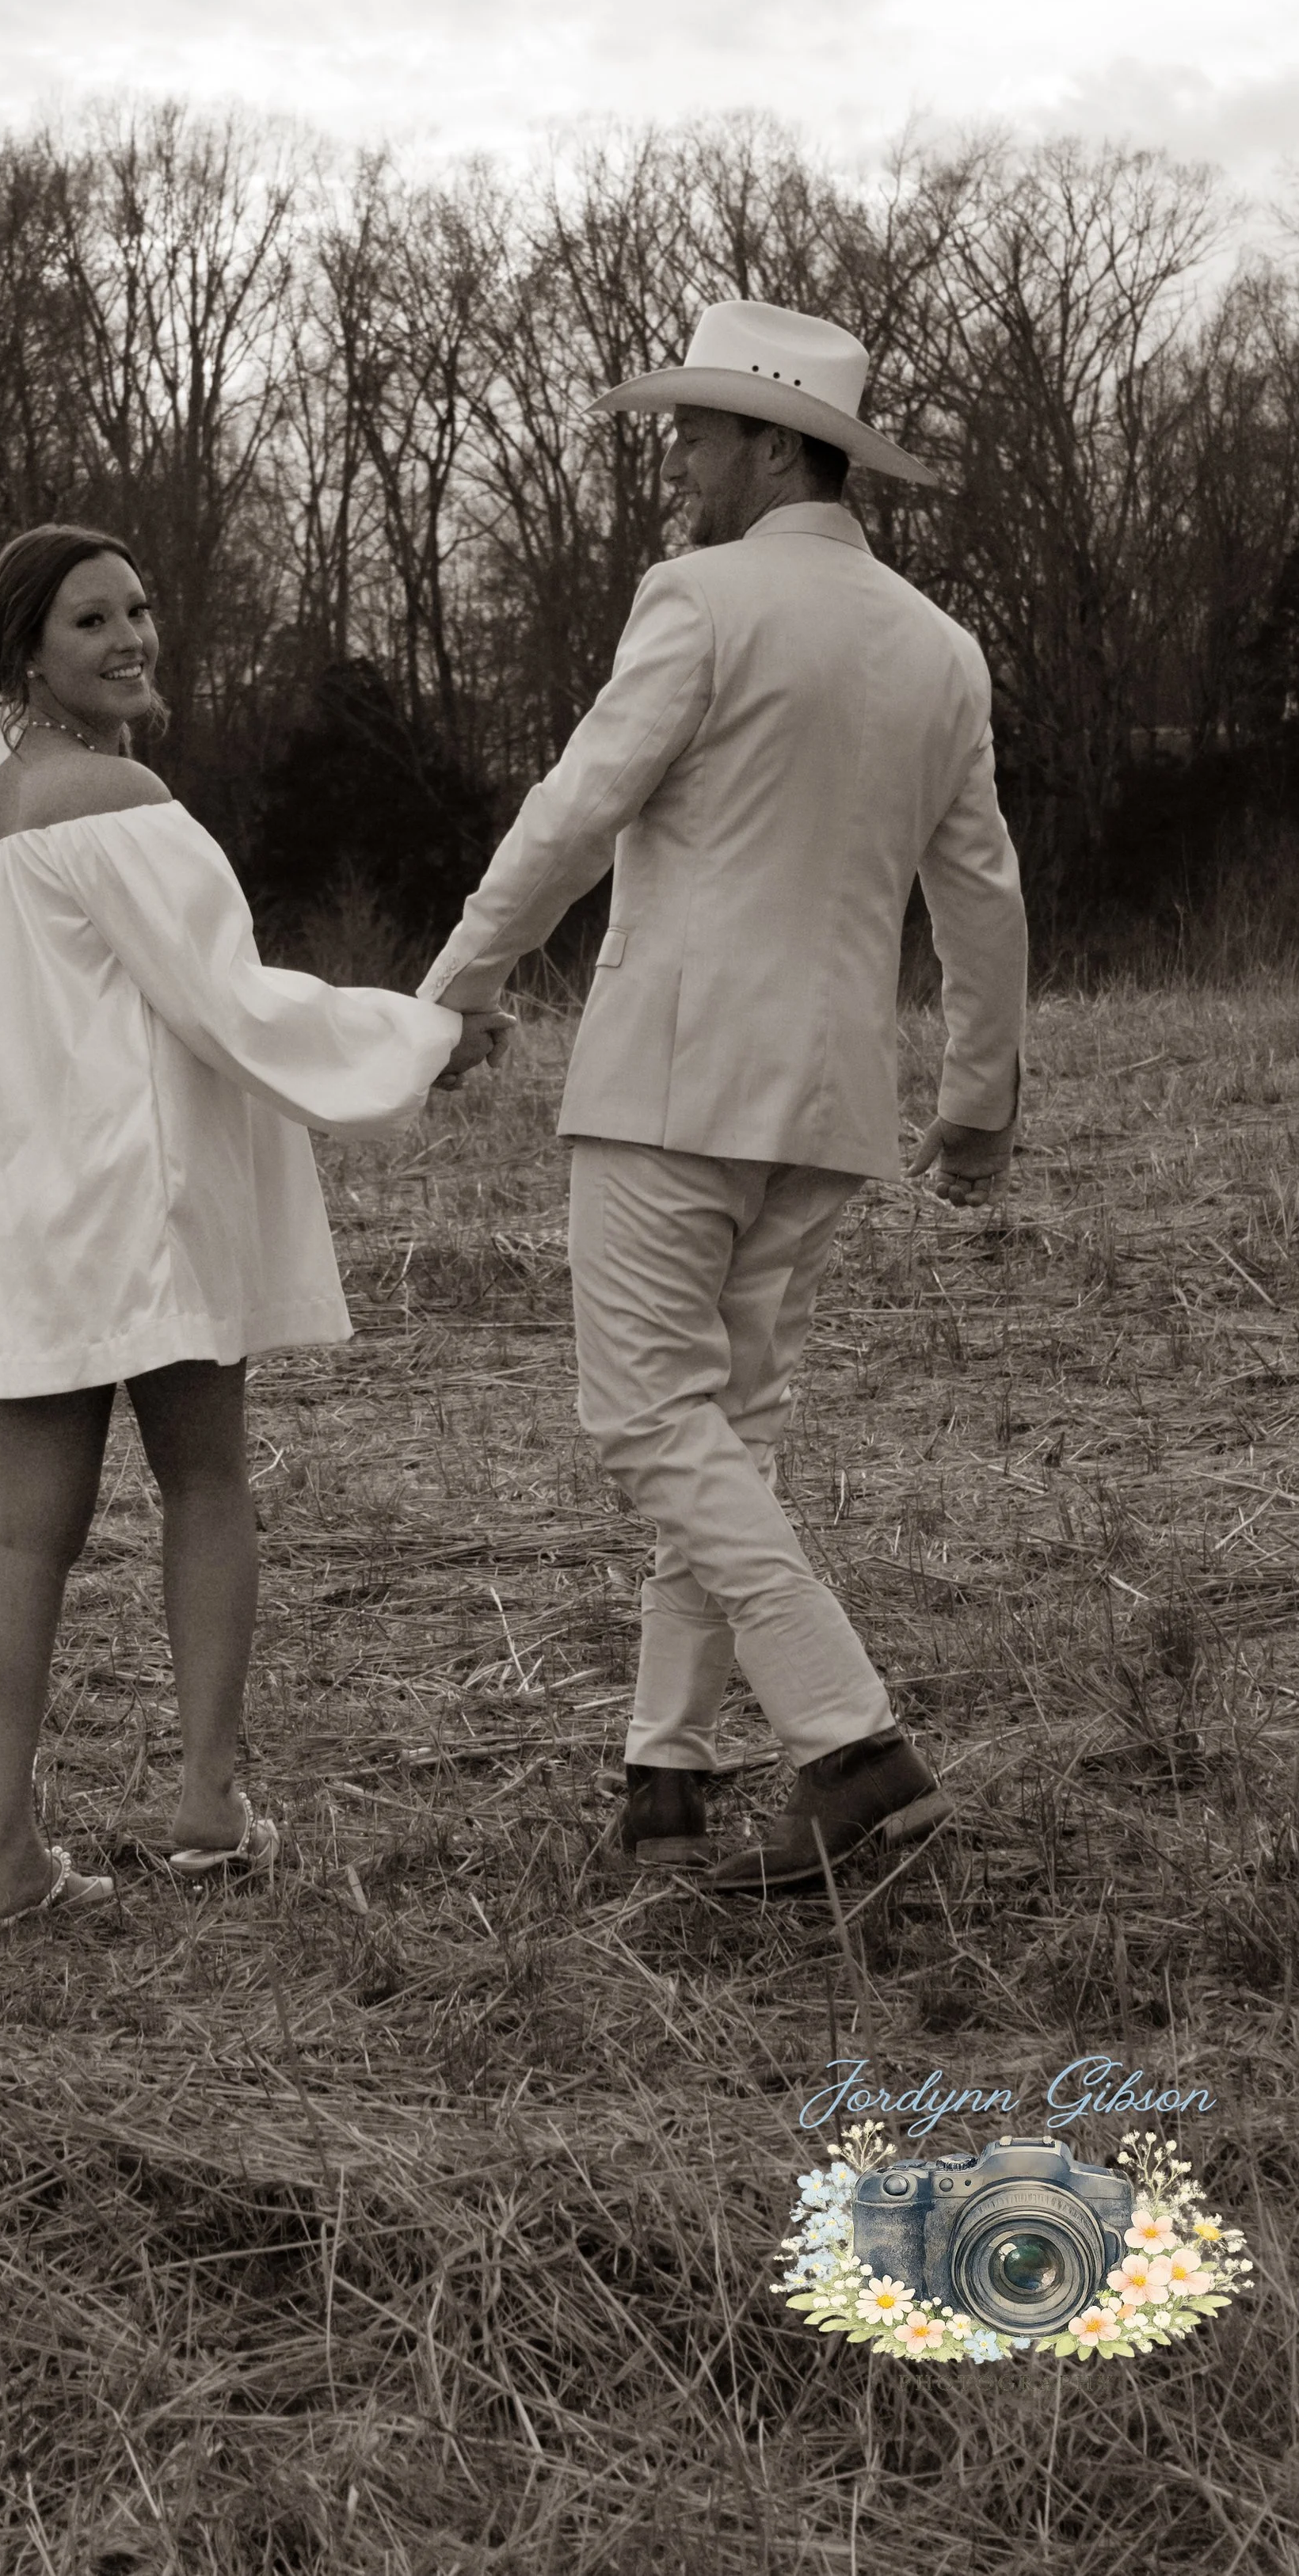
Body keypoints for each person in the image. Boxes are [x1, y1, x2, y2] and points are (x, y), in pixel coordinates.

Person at [418, 301, 1027, 1894]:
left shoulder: (695, 600)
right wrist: (974, 1097)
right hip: (829, 1099)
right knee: (722, 1432)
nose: (678, 460)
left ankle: (850, 1746)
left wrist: (465, 982)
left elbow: (572, 811)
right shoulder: (938, 647)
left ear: (770, 445)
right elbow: (979, 890)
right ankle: (664, 1779)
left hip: (671, 1085)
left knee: (643, 1415)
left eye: (695, 431)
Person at [0, 524, 505, 1930]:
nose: (132, 637)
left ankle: (8, 1857)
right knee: (204, 1484)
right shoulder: (115, 799)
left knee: (30, 1536)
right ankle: (207, 1802)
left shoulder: (1, 807)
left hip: (37, 1214)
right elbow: (232, 1003)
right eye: (91, 622)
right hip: (140, 1201)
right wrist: (426, 1035)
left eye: (140, 608)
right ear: (25, 657)